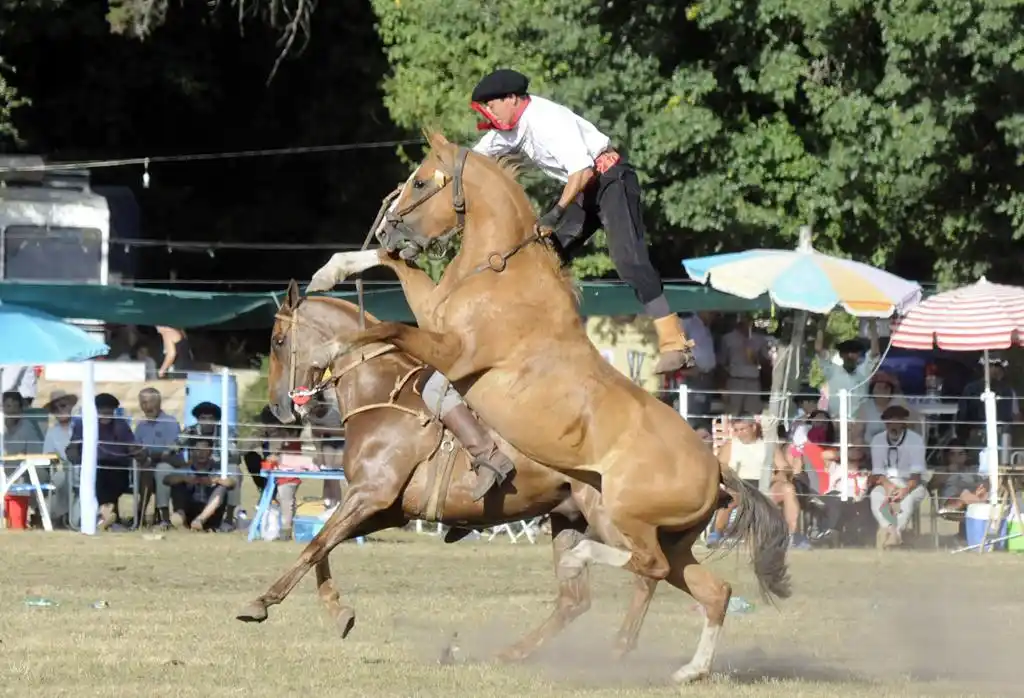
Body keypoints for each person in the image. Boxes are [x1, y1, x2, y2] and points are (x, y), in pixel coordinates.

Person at [468, 68, 695, 375]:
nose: (489, 113)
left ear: (511, 99)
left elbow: (583, 171)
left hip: (611, 181)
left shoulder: (548, 120)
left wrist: (556, 213)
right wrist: (439, 174)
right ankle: (542, 339)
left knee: (628, 259)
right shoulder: (511, 128)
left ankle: (675, 344)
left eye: (492, 105)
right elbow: (472, 158)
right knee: (545, 258)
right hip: (584, 189)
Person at [868, 404, 928, 549]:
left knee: (906, 499)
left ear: (904, 423)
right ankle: (891, 529)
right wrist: (887, 485)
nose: (892, 425)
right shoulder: (877, 440)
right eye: (889, 422)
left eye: (896, 421)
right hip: (887, 482)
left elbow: (917, 474)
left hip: (912, 482)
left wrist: (905, 490)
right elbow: (878, 472)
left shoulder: (915, 440)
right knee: (876, 496)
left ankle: (895, 532)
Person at [815, 322, 880, 417]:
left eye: (853, 352)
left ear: (858, 355)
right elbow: (818, 349)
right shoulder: (832, 370)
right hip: (836, 422)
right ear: (841, 355)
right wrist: (821, 326)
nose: (850, 355)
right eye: (846, 351)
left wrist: (873, 325)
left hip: (859, 425)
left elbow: (874, 353)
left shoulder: (864, 371)